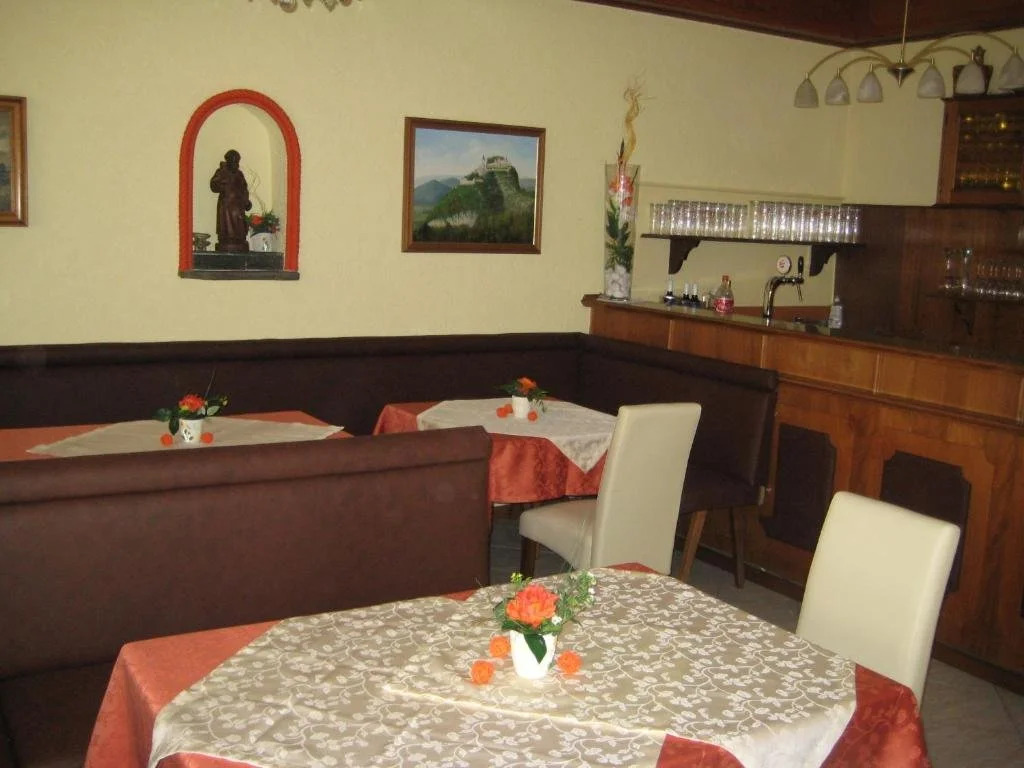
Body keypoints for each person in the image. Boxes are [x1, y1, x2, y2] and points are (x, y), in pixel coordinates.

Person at [209, 149, 251, 252]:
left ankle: (239, 239)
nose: (236, 164)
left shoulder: (239, 174)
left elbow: (244, 189)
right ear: (228, 161)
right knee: (227, 227)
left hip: (239, 206)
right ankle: (226, 239)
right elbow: (213, 185)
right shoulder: (221, 171)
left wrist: (246, 201)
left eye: (237, 161)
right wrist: (224, 183)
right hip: (226, 205)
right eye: (233, 161)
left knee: (240, 227)